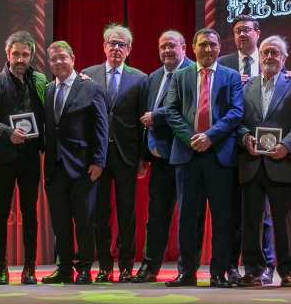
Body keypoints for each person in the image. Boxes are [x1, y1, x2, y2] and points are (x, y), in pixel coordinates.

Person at [163, 28, 244, 288]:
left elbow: (235, 112)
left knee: (222, 217)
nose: (207, 50)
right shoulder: (180, 76)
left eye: (212, 45)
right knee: (188, 217)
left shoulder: (231, 77)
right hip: (187, 156)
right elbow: (172, 111)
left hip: (219, 154)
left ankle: (219, 273)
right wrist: (192, 138)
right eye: (202, 45)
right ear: (193, 48)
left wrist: (209, 136)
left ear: (219, 47)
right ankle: (187, 273)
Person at [237, 36, 291, 288]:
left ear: (284, 58)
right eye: (265, 52)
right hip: (251, 162)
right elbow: (238, 121)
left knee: (284, 222)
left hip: (282, 164)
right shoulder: (245, 86)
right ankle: (253, 271)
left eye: (275, 53)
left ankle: (287, 272)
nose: (269, 57)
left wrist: (287, 145)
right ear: (260, 56)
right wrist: (245, 136)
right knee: (251, 222)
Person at [82, 23, 149, 283]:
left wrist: (144, 157)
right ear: (104, 46)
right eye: (112, 43)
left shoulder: (140, 78)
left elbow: (143, 121)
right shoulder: (88, 75)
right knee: (99, 213)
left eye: (122, 44)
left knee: (126, 213)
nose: (116, 48)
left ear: (129, 49)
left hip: (127, 155)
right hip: (97, 156)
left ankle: (126, 265)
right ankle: (104, 266)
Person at [0, 31, 48, 286]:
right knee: (1, 213)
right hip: (5, 157)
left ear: (31, 55)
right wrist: (8, 133)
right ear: (7, 55)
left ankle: (29, 269)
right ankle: (1, 269)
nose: (20, 59)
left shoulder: (40, 81)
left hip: (31, 157)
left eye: (25, 54)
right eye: (15, 54)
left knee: (30, 213)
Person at [42, 41, 109, 285]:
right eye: (53, 59)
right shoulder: (49, 89)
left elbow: (102, 127)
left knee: (84, 221)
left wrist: (99, 161)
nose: (58, 62)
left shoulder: (91, 88)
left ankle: (84, 269)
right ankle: (64, 268)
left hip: (83, 167)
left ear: (73, 58)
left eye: (62, 57)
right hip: (54, 167)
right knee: (60, 223)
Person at [133, 30, 194, 282]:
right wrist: (143, 156)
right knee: (156, 215)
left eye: (172, 46)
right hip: (159, 158)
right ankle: (149, 267)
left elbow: (186, 110)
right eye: (163, 47)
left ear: (183, 47)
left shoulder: (193, 72)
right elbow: (143, 120)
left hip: (187, 156)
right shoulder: (154, 77)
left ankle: (186, 269)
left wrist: (157, 116)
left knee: (187, 216)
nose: (167, 51)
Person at [219, 15, 275, 283]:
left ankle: (265, 266)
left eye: (247, 30)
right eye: (237, 31)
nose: (242, 35)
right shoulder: (223, 64)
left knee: (262, 213)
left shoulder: (270, 61)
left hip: (265, 146)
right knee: (232, 212)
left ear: (258, 32)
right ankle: (231, 266)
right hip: (231, 146)